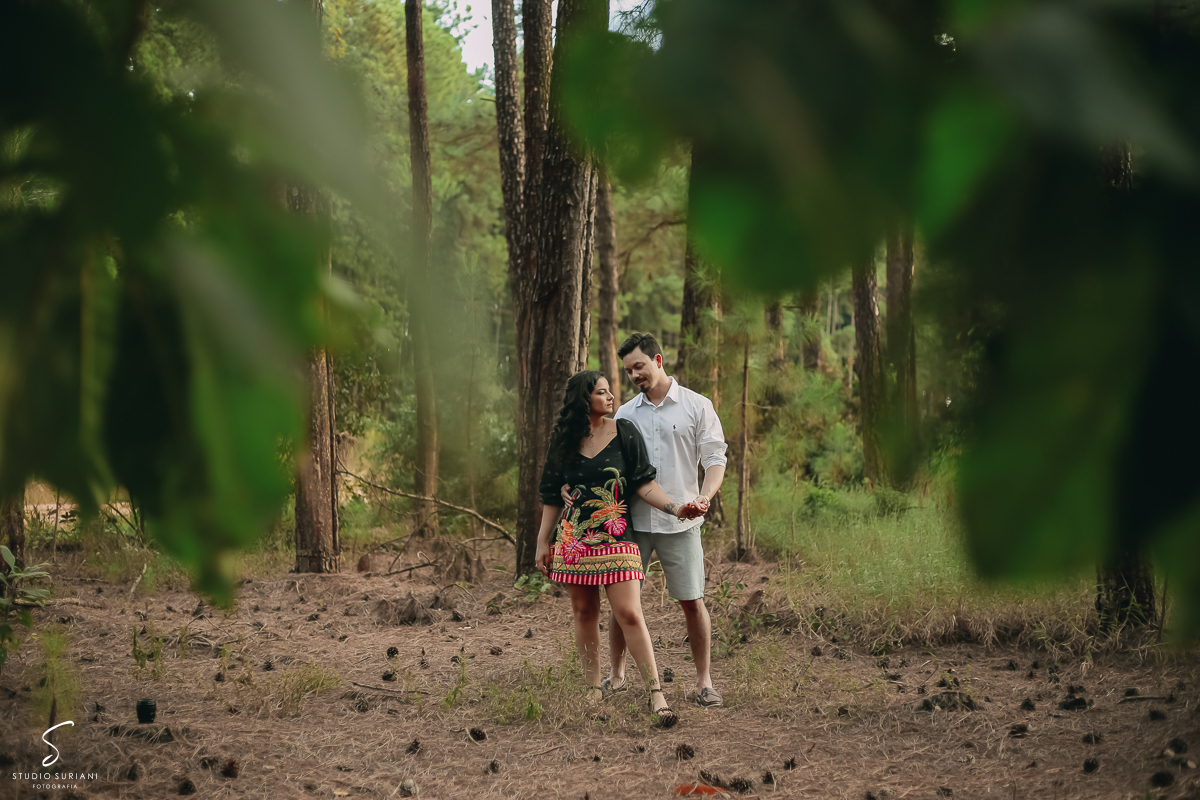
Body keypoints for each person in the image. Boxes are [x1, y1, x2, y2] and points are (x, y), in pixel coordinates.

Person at [564, 332, 727, 708]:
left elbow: (715, 459)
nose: (634, 374)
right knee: (624, 606)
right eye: (628, 370)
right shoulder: (625, 414)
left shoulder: (697, 405)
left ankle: (704, 681)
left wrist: (704, 496)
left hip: (681, 523)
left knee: (692, 601)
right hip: (630, 525)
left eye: (639, 366)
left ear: (658, 360)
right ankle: (616, 675)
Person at [535, 370, 695, 729]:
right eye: (602, 392)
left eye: (609, 392)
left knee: (629, 613)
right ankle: (593, 689)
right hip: (574, 539)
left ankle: (657, 694)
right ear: (584, 400)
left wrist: (675, 508)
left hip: (618, 537)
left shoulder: (624, 431)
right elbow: (551, 492)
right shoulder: (564, 439)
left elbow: (643, 483)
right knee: (584, 612)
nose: (610, 397)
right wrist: (542, 542)